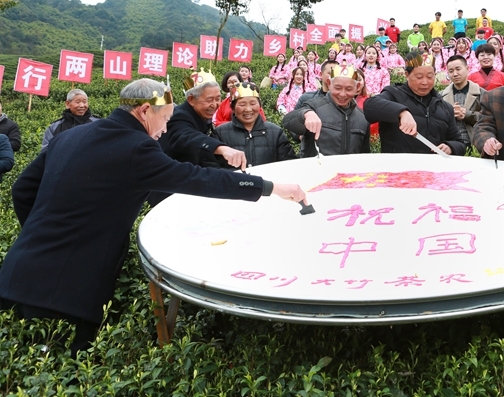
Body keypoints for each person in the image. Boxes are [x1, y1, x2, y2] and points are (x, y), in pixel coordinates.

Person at [0, 78, 305, 355]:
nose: (166, 129)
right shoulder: (137, 147)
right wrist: (271, 187)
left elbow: (22, 190)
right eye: (166, 119)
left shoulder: (72, 135)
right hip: (67, 293)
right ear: (145, 110)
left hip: (17, 273)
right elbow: (197, 179)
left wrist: (43, 237)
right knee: (62, 371)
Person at [364, 52, 467, 156]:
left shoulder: (444, 107)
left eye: (430, 77)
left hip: (432, 169)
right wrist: (401, 112)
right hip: (398, 168)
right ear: (407, 75)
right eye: (419, 77)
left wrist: (450, 147)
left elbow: (460, 143)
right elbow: (370, 106)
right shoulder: (393, 94)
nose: (425, 82)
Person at [158, 71, 246, 170]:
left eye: (218, 99)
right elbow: (187, 137)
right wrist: (220, 148)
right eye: (209, 100)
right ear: (191, 100)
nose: (214, 104)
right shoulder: (179, 116)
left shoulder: (203, 117)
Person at [283, 64, 371, 158]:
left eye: (348, 89)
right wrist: (305, 114)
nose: (342, 94)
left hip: (347, 171)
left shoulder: (362, 118)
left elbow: (364, 155)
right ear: (329, 83)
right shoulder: (314, 106)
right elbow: (287, 121)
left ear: (357, 87)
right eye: (338, 88)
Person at [214, 82, 295, 168]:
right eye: (242, 104)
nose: (248, 109)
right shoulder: (220, 133)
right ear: (233, 108)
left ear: (260, 106)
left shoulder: (276, 133)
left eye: (253, 104)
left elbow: (289, 165)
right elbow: (212, 166)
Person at [441, 55, 484, 146]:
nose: (455, 74)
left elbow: (490, 119)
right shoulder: (441, 96)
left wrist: (467, 114)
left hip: (475, 143)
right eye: (451, 71)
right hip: (450, 145)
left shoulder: (482, 93)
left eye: (458, 69)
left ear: (467, 68)